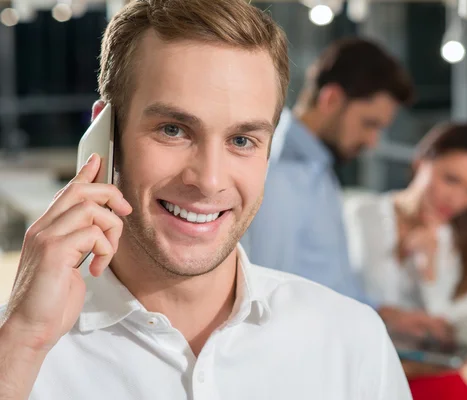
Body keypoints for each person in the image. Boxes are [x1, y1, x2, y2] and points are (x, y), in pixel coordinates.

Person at [0, 1, 412, 399]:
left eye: (241, 140)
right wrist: (22, 343)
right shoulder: (22, 347)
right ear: (105, 134)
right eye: (173, 130)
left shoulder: (354, 342)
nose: (209, 181)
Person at [244, 38, 440, 334]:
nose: (372, 142)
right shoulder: (279, 173)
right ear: (331, 99)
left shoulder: (319, 168)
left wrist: (384, 315)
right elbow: (267, 303)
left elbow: (330, 284)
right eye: (368, 124)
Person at [344, 122, 467, 388]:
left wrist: (427, 268)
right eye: (451, 179)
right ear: (421, 161)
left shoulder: (466, 239)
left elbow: (450, 331)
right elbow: (344, 296)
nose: (457, 199)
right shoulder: (361, 215)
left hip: (423, 371)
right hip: (362, 364)